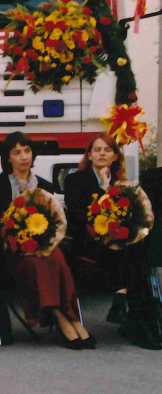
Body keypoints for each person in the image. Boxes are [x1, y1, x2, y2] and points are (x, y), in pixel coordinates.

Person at [0, 132, 93, 349]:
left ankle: (70, 318)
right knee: (37, 261)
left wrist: (42, 241)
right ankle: (63, 318)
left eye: (27, 151)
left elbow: (54, 221)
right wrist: (18, 237)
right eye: (17, 152)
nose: (23, 156)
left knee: (57, 257)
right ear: (8, 158)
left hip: (44, 247)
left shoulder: (44, 185)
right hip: (13, 251)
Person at [63, 133, 158, 350]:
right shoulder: (75, 180)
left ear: (115, 156)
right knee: (134, 258)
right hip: (89, 243)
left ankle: (131, 312)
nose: (102, 154)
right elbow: (79, 215)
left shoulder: (124, 184)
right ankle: (139, 322)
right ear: (89, 155)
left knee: (139, 247)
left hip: (119, 246)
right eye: (97, 150)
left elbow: (132, 217)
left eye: (107, 150)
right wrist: (104, 189)